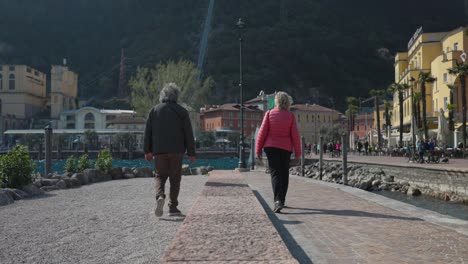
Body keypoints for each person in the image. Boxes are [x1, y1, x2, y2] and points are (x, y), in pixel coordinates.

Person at [144, 83, 196, 217]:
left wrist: (147, 150)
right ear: (176, 96)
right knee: (175, 178)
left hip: (159, 151)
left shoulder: (154, 110)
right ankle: (173, 207)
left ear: (163, 95)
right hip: (177, 151)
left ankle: (160, 196)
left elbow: (148, 132)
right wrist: (191, 153)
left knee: (159, 176)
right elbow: (188, 134)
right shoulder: (182, 111)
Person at [256, 91, 301, 213]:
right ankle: (282, 200)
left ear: (276, 101)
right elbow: (295, 136)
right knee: (284, 173)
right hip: (285, 149)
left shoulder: (269, 113)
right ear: (288, 102)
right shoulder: (290, 116)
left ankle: (277, 201)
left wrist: (258, 150)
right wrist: (298, 154)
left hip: (271, 148)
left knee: (275, 173)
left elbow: (262, 133)